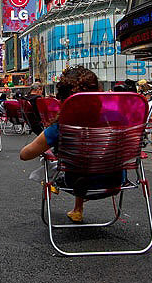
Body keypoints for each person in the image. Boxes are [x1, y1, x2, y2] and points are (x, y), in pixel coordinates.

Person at [20, 66, 102, 223]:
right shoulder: (116, 119)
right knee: (85, 159)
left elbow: (25, 154)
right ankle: (78, 209)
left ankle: (74, 205)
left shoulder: (62, 127)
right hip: (116, 179)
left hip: (75, 182)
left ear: (63, 98)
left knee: (63, 162)